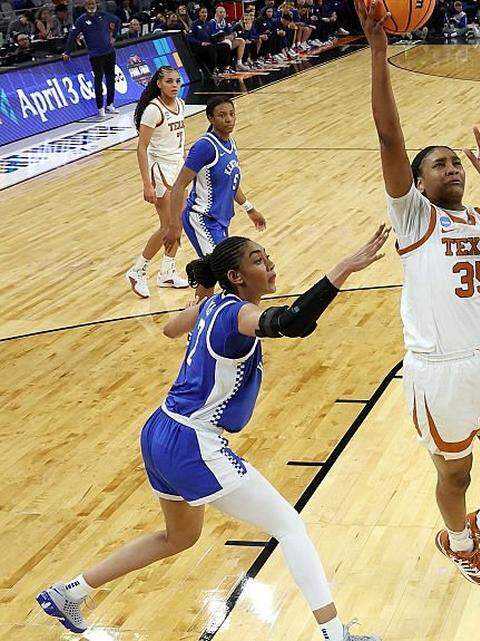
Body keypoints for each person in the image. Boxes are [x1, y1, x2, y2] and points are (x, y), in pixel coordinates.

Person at [35, 229, 390, 641]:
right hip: (193, 442)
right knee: (291, 527)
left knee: (180, 536)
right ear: (236, 276)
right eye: (258, 260)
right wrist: (344, 268)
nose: (269, 263)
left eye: (267, 256)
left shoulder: (214, 304)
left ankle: (69, 592)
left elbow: (170, 328)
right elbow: (292, 322)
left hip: (160, 429)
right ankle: (334, 634)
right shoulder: (238, 315)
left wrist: (199, 310)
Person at [355, 0, 480, 589]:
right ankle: (457, 538)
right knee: (454, 475)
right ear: (417, 180)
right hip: (439, 370)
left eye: (457, 164)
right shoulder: (415, 219)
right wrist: (380, 55)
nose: (452, 170)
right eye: (439, 166)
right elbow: (389, 139)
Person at [168, 97, 267, 298]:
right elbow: (178, 185)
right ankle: (208, 319)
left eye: (231, 114)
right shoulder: (205, 146)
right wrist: (173, 226)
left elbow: (232, 183)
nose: (228, 119)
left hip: (220, 220)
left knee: (211, 273)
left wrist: (249, 208)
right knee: (224, 272)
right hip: (201, 218)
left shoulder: (231, 143)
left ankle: (199, 319)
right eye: (222, 115)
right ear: (211, 118)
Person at [126, 66, 191, 298]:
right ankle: (138, 270)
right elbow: (141, 148)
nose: (174, 85)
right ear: (159, 84)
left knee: (179, 223)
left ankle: (167, 272)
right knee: (167, 226)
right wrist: (147, 184)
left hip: (177, 168)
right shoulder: (153, 110)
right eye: (169, 81)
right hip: (159, 170)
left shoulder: (181, 105)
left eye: (177, 81)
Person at [63, 0, 121, 118]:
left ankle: (110, 104)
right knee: (98, 80)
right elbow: (72, 35)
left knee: (110, 79)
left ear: (96, 5)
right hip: (95, 55)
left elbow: (117, 21)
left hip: (109, 52)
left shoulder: (103, 15)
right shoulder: (81, 20)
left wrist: (114, 36)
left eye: (93, 4)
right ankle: (100, 108)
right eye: (89, 5)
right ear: (85, 6)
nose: (91, 7)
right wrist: (67, 52)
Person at [188, 5, 232, 77]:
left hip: (209, 44)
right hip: (199, 47)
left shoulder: (208, 24)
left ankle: (224, 68)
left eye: (206, 12)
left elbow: (211, 36)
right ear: (199, 14)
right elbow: (190, 38)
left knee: (225, 46)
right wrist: (201, 43)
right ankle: (213, 70)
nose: (204, 14)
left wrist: (218, 38)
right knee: (212, 48)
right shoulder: (194, 24)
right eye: (202, 12)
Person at [208, 4, 249, 71]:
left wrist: (232, 35)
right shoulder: (212, 22)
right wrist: (226, 37)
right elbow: (213, 36)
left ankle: (239, 63)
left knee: (241, 41)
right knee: (227, 42)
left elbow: (231, 33)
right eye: (220, 12)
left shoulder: (225, 22)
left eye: (224, 12)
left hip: (226, 41)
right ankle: (224, 67)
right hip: (217, 43)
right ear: (216, 13)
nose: (222, 14)